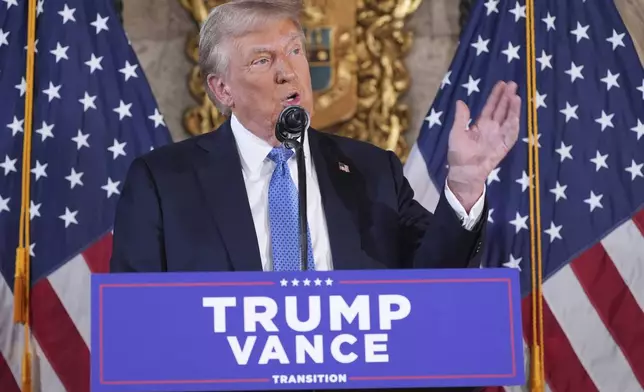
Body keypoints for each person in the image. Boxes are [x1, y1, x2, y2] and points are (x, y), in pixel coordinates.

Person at [110, 1, 520, 391]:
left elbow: (438, 286)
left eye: (294, 51)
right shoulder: (163, 183)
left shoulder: (371, 170)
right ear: (222, 90)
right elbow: (136, 333)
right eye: (262, 60)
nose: (288, 72)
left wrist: (465, 184)